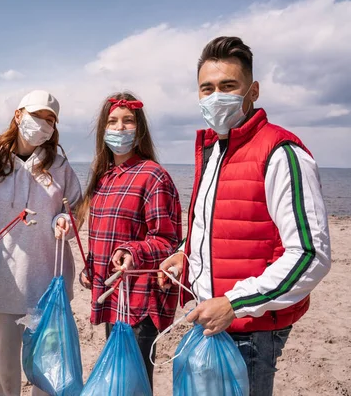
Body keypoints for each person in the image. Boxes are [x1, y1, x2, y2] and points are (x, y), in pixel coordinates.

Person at [158, 36, 331, 396]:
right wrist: (184, 255)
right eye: (207, 88)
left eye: (228, 86)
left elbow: (311, 254)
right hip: (208, 320)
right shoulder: (215, 150)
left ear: (252, 91)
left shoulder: (281, 151)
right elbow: (215, 223)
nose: (216, 96)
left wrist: (235, 304)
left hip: (249, 331)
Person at [0, 90, 82, 396]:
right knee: (5, 360)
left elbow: (73, 207)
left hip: (50, 278)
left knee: (47, 359)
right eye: (37, 116)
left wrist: (62, 221)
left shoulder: (60, 166)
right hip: (1, 276)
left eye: (50, 120)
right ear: (19, 115)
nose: (43, 124)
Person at [77, 92, 182, 390]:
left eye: (128, 121)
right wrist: (92, 267)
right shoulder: (104, 177)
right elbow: (105, 233)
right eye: (112, 121)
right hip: (113, 297)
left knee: (134, 384)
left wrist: (131, 252)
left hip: (140, 301)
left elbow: (166, 240)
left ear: (140, 129)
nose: (119, 128)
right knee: (118, 381)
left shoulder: (153, 176)